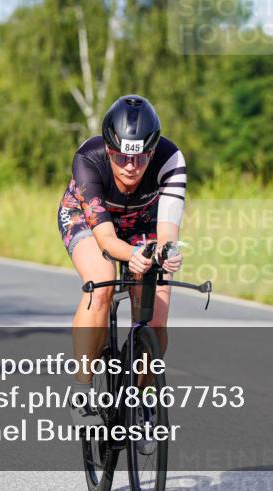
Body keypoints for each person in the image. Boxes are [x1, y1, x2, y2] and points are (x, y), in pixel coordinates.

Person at [56, 95, 186, 424]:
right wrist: (132, 256)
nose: (131, 166)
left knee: (155, 320)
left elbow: (167, 231)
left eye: (141, 158)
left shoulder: (171, 159)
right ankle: (82, 391)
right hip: (89, 221)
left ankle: (139, 400)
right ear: (109, 148)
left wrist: (167, 253)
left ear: (153, 151)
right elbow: (105, 240)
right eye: (121, 157)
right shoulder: (88, 158)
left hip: (143, 224)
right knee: (101, 283)